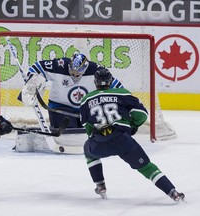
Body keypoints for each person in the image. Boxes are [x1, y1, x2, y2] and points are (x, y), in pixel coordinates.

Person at [79, 67, 185, 202]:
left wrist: (95, 138)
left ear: (95, 82)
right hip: (122, 140)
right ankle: (173, 193)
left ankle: (100, 186)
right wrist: (132, 126)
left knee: (88, 151)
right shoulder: (122, 93)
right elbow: (142, 115)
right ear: (111, 81)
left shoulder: (86, 99)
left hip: (99, 143)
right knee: (146, 167)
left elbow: (87, 126)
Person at [19, 53, 124, 128]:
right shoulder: (59, 65)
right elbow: (35, 68)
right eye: (72, 71)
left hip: (86, 110)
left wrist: (127, 102)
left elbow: (117, 87)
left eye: (78, 72)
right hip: (59, 108)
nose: (74, 74)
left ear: (85, 67)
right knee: (68, 131)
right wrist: (32, 82)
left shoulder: (96, 70)